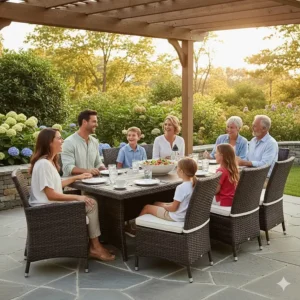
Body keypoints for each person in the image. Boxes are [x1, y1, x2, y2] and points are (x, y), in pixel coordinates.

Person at [29, 128, 115, 262]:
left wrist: (77, 177)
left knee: (90, 200)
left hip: (49, 206)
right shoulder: (43, 165)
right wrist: (78, 197)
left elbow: (56, 185)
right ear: (49, 143)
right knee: (91, 203)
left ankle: (95, 244)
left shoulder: (47, 162)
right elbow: (51, 195)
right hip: (48, 210)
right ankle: (95, 247)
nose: (62, 141)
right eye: (59, 138)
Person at [125, 158, 197, 236]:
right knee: (156, 203)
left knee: (147, 207)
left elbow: (173, 208)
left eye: (177, 168)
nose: (176, 170)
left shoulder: (181, 187)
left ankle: (135, 230)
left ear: (181, 172)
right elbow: (180, 203)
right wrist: (163, 204)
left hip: (175, 217)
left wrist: (164, 206)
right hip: (184, 214)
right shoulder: (195, 184)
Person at [61, 110, 106, 177]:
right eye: (94, 122)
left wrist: (105, 169)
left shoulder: (94, 142)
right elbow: (68, 168)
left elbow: (98, 163)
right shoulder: (69, 142)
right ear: (84, 122)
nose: (97, 125)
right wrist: (88, 171)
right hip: (74, 185)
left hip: (93, 183)